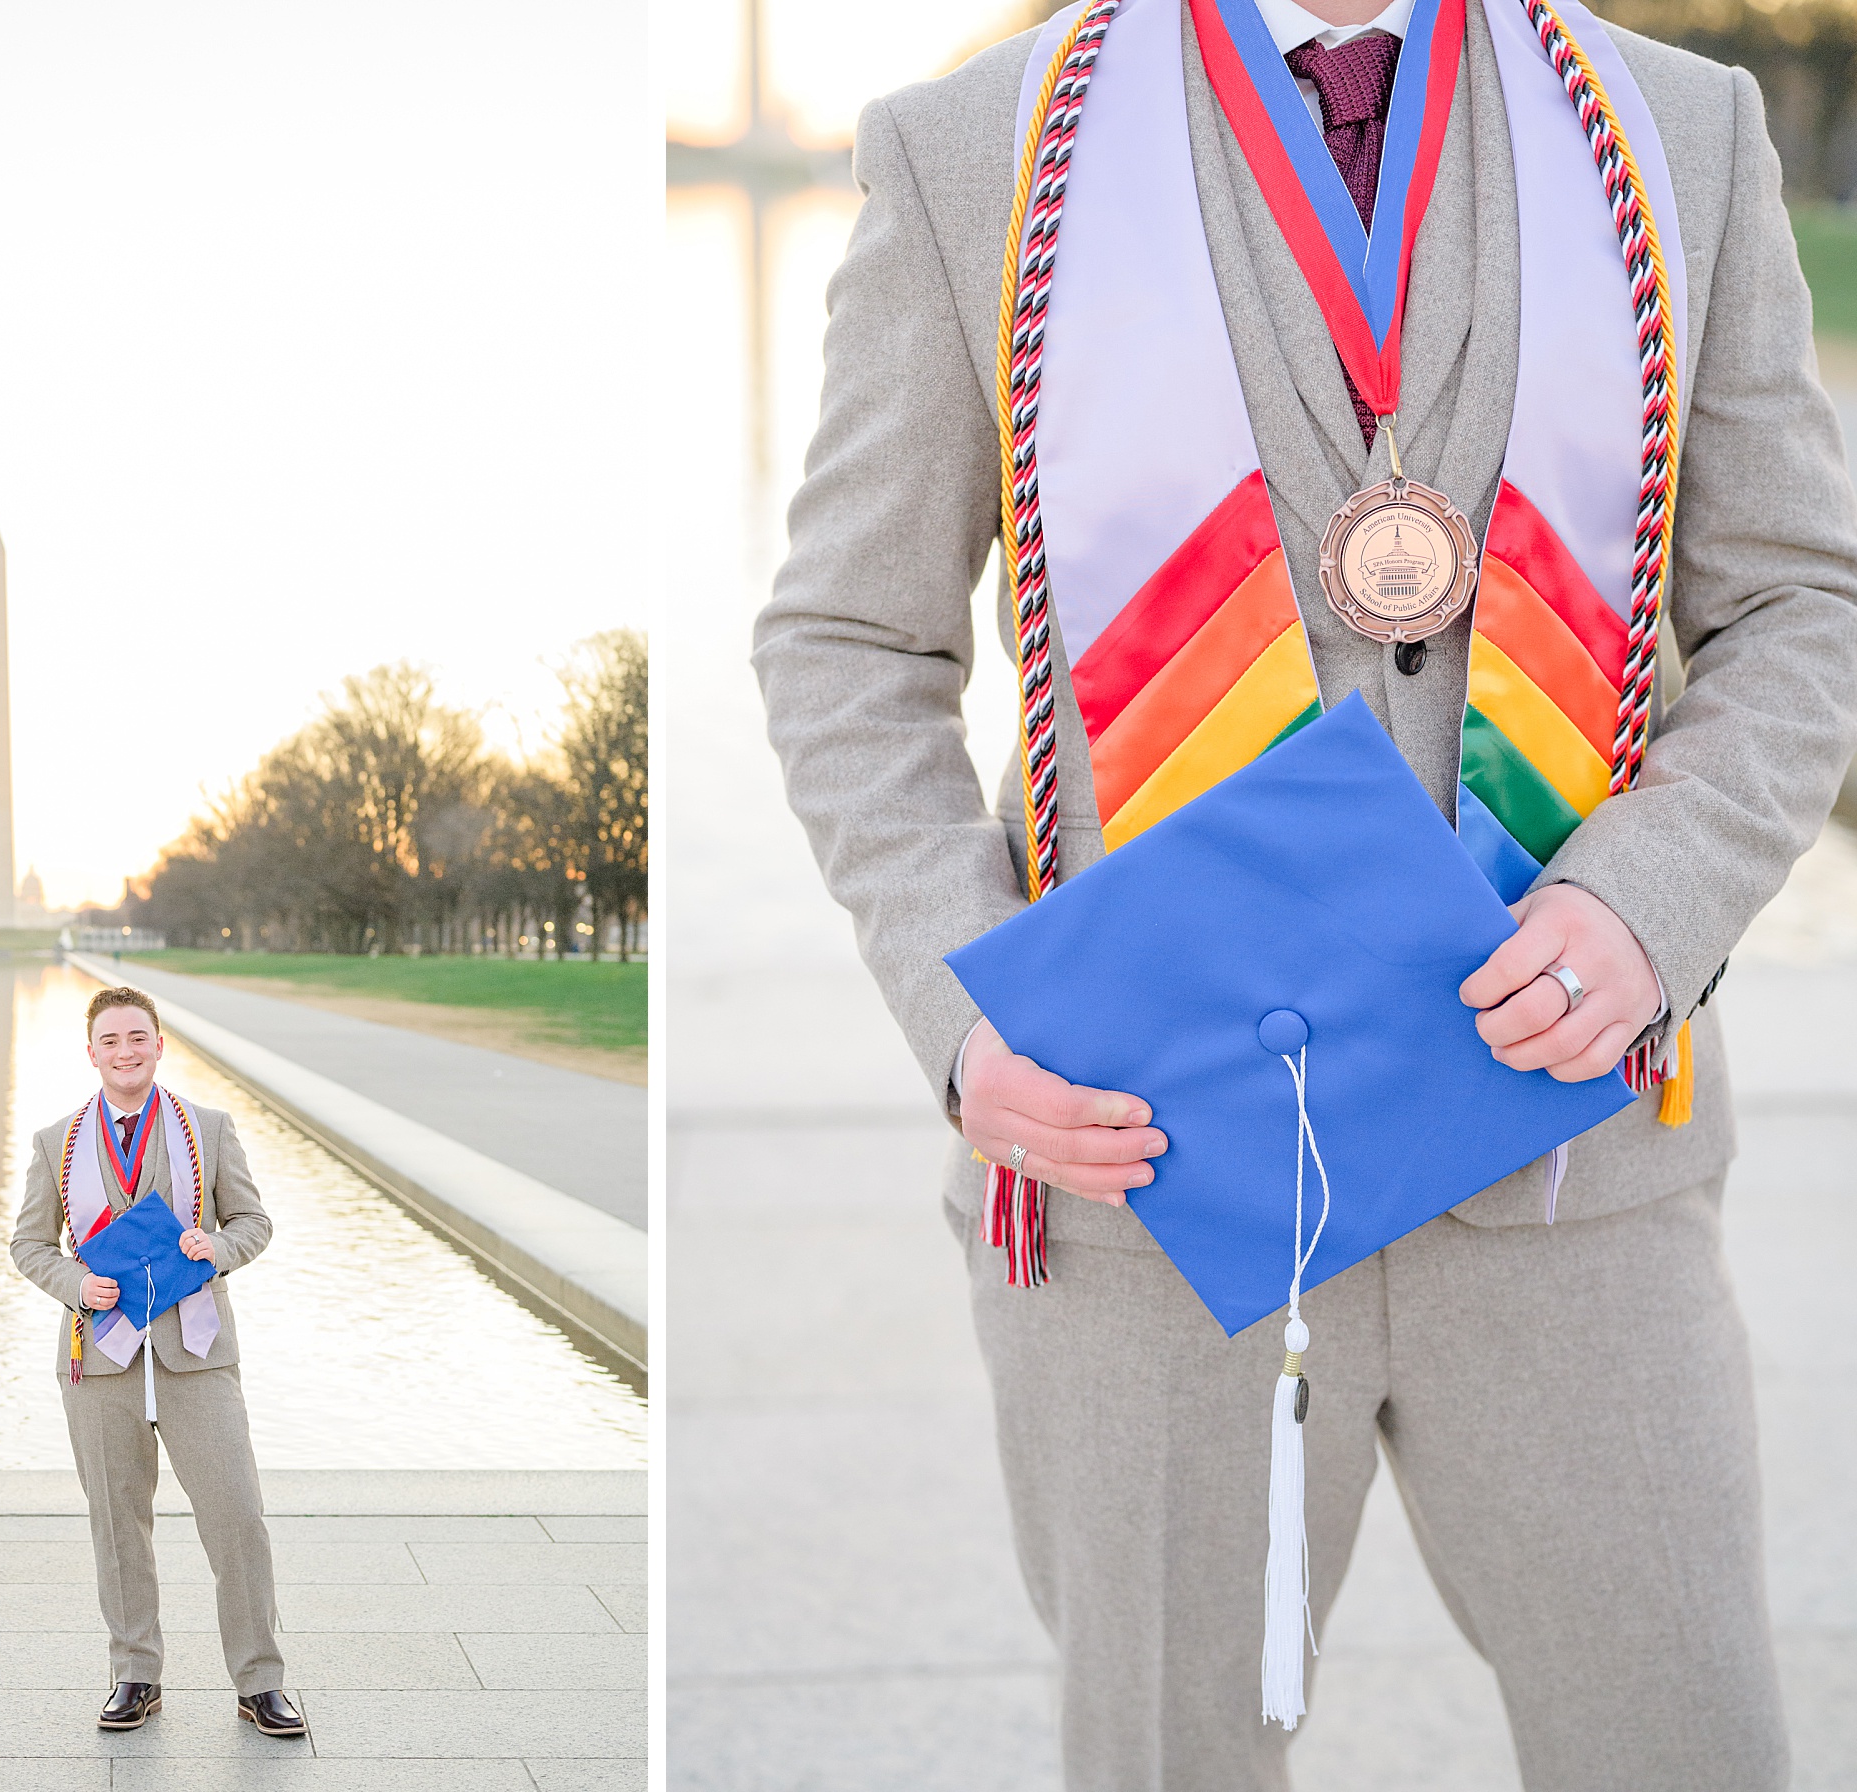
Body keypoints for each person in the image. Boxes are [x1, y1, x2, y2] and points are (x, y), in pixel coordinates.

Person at [753, 0, 1857, 1782]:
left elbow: (1801, 607)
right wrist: (972, 1016)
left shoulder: (1677, 130)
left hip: (1584, 1174)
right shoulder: (971, 156)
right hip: (1152, 1180)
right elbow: (848, 640)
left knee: (1689, 1746)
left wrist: (1653, 900)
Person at [10, 984, 305, 1737]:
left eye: (137, 1036)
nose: (126, 1051)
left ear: (158, 1042)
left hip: (195, 1351)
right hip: (101, 1359)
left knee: (237, 1516)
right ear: (92, 1053)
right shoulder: (58, 1140)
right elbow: (29, 1245)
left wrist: (220, 1251)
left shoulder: (207, 1128)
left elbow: (255, 1220)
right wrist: (77, 1283)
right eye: (110, 1040)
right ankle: (135, 1672)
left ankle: (260, 1681)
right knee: (117, 1524)